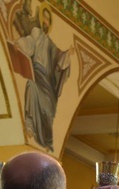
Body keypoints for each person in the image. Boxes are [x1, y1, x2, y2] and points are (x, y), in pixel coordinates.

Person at [14, 7, 72, 152]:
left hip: (48, 82)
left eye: (48, 19)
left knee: (47, 110)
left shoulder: (50, 43)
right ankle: (29, 122)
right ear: (41, 19)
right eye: (44, 18)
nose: (46, 22)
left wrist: (68, 55)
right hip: (37, 74)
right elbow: (28, 44)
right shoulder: (35, 34)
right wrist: (18, 45)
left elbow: (59, 60)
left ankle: (47, 140)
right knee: (30, 86)